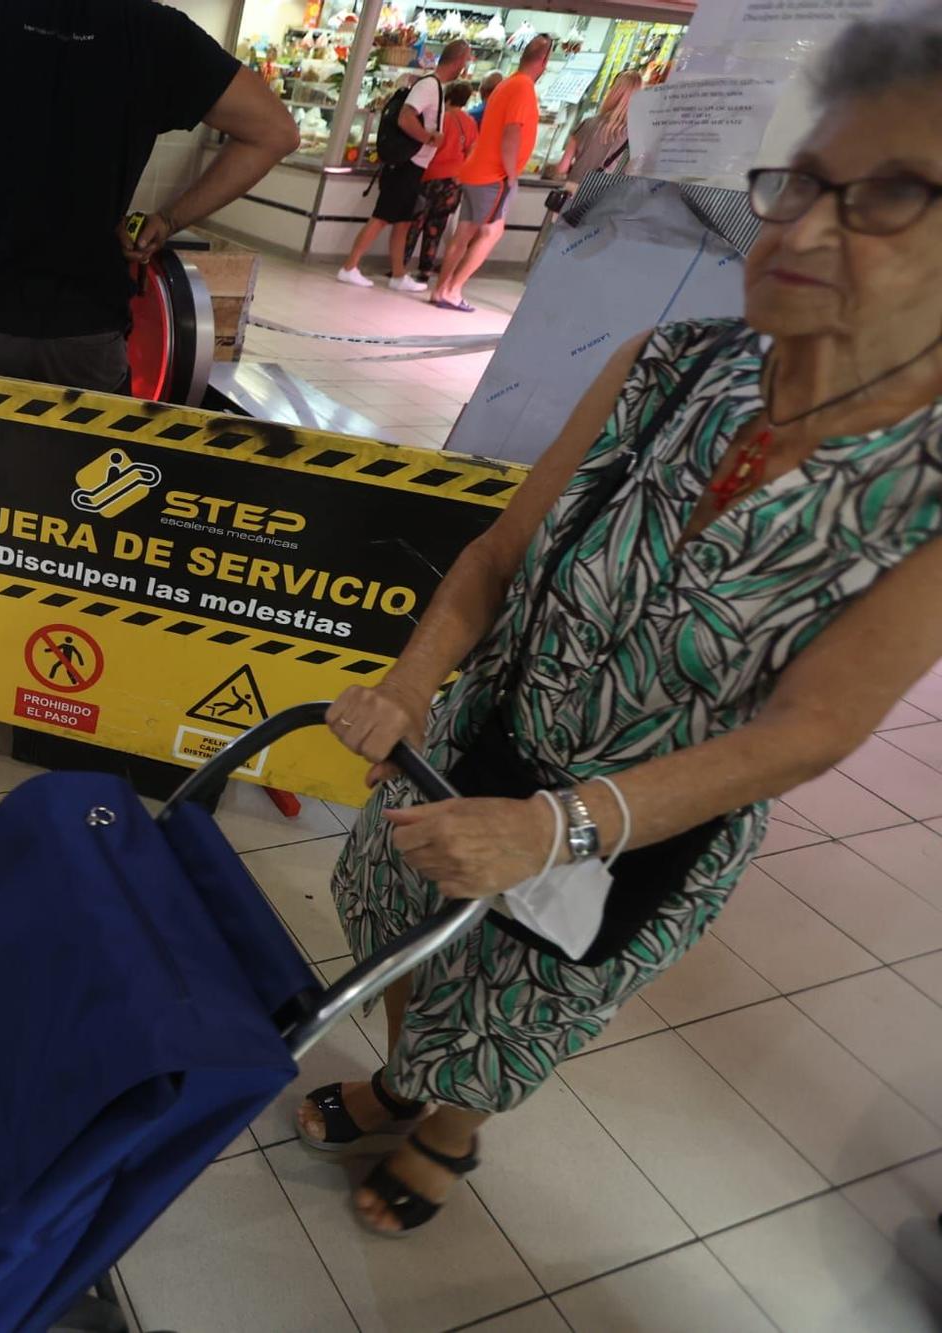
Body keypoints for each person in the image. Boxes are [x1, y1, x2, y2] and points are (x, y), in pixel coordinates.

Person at [296, 15, 942, 1237]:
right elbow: (497, 552)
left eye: (892, 194)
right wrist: (412, 682)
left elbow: (807, 732)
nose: (800, 226)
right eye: (801, 179)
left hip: (640, 824)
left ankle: (445, 1130)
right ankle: (394, 1078)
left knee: (514, 998)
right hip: (483, 728)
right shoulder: (671, 364)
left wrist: (552, 827)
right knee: (397, 920)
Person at [0, 0, 298, 392]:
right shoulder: (158, 33)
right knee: (81, 495)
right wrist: (169, 219)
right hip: (90, 333)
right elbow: (274, 132)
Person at [336, 39, 471, 293]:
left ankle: (399, 274)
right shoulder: (430, 86)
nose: (467, 66)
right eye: (466, 60)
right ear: (458, 61)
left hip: (414, 166)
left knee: (403, 221)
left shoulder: (435, 87)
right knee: (382, 217)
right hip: (406, 164)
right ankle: (349, 266)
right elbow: (405, 116)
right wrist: (429, 137)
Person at [430, 36, 550, 312]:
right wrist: (511, 175)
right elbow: (512, 133)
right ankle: (453, 289)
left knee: (463, 235)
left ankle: (441, 290)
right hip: (493, 176)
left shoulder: (507, 84)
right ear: (543, 62)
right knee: (491, 233)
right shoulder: (522, 89)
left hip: (475, 170)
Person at [526, 68, 641, 271]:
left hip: (571, 193)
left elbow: (562, 167)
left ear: (613, 92)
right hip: (604, 199)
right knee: (583, 253)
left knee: (556, 245)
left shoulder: (587, 124)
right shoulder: (636, 137)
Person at [401, 80, 477, 286]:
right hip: (453, 182)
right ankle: (425, 269)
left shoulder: (441, 119)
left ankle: (400, 266)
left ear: (447, 97)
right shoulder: (469, 122)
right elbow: (471, 151)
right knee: (436, 227)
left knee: (414, 224)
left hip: (430, 175)